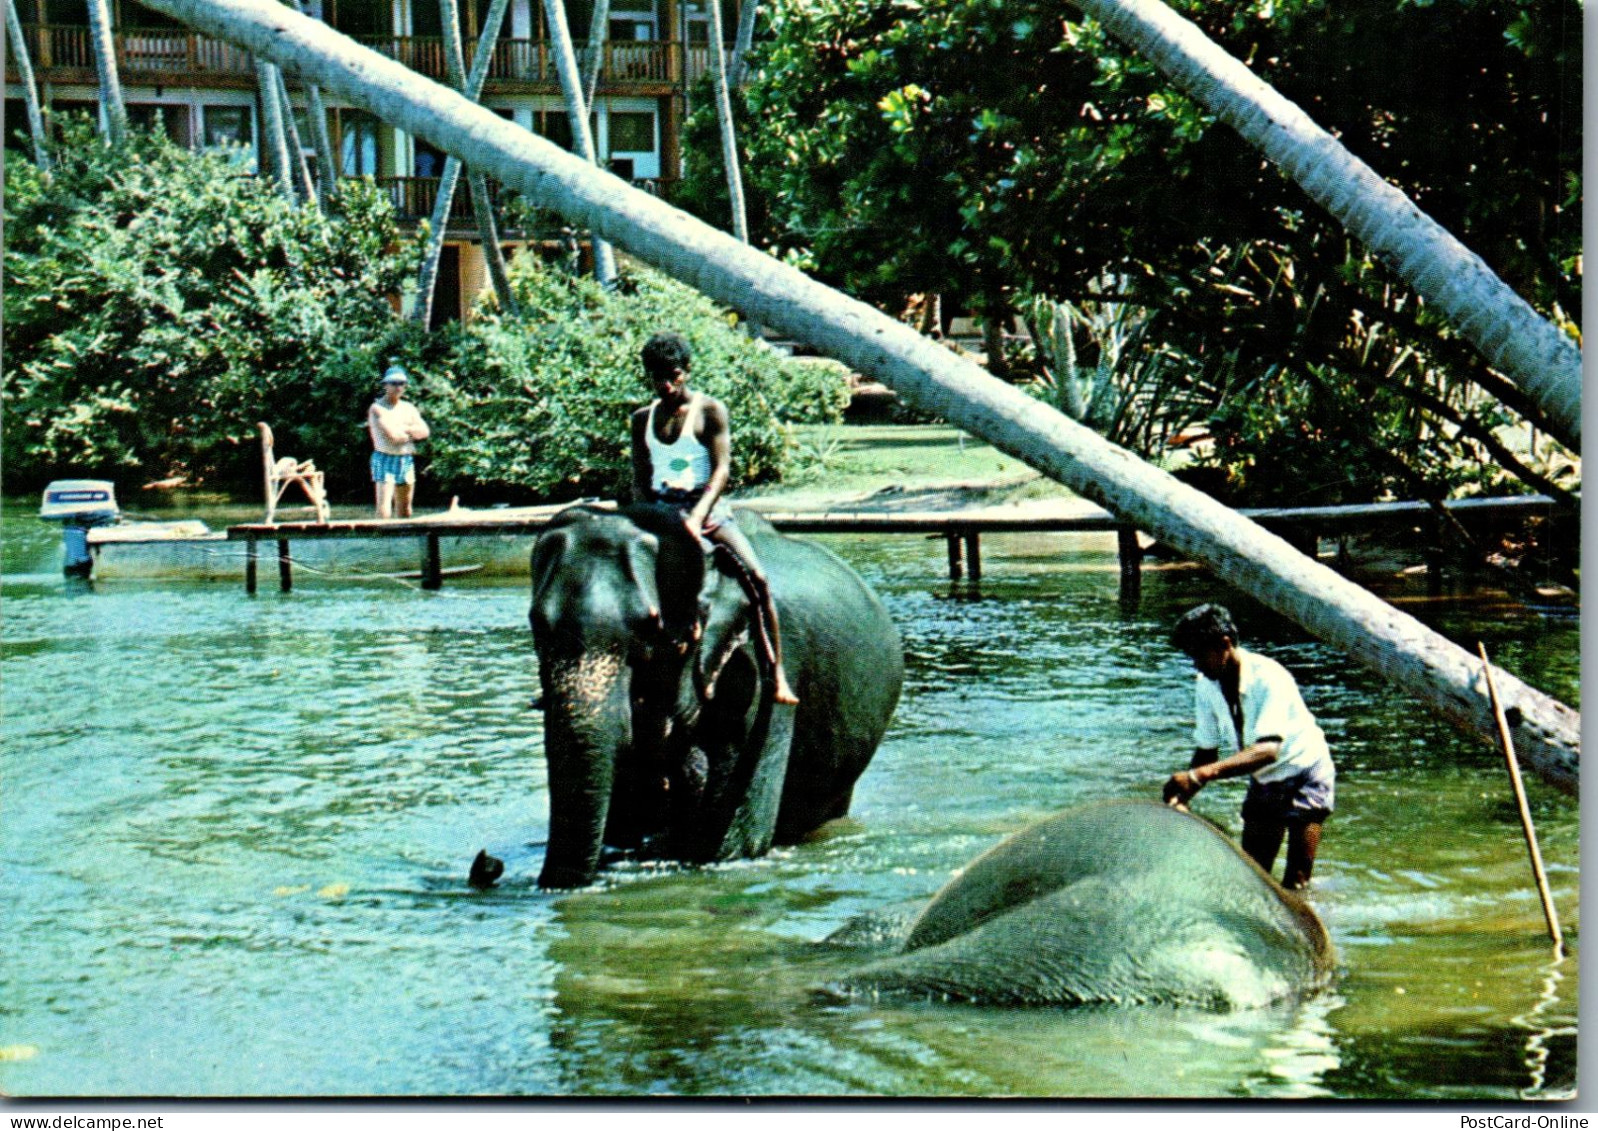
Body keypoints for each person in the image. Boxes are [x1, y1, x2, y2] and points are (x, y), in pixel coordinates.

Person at [630, 332, 800, 705]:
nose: (665, 384)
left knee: (758, 579)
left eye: (672, 375)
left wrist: (696, 517)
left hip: (704, 509)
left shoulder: (709, 412)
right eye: (656, 376)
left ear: (686, 371)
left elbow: (721, 472)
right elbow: (640, 479)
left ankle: (777, 674)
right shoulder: (641, 419)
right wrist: (648, 515)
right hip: (660, 509)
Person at [1161, 603, 1335, 890]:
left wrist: (1200, 776)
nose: (1196, 664)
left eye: (1199, 655)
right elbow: (1207, 750)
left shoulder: (1269, 677)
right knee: (1252, 878)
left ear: (1224, 644)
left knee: (1296, 882)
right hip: (1265, 778)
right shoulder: (1206, 683)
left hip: (1306, 772)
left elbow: (1268, 750)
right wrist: (1185, 794)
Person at [368, 363, 430, 519]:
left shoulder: (408, 407)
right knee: (384, 509)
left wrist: (404, 429)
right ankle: (382, 540)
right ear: (385, 385)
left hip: (405, 458)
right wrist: (410, 429)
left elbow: (424, 432)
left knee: (406, 509)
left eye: (401, 383)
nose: (398, 387)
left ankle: (404, 541)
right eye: (394, 383)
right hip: (385, 458)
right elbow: (394, 437)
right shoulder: (377, 408)